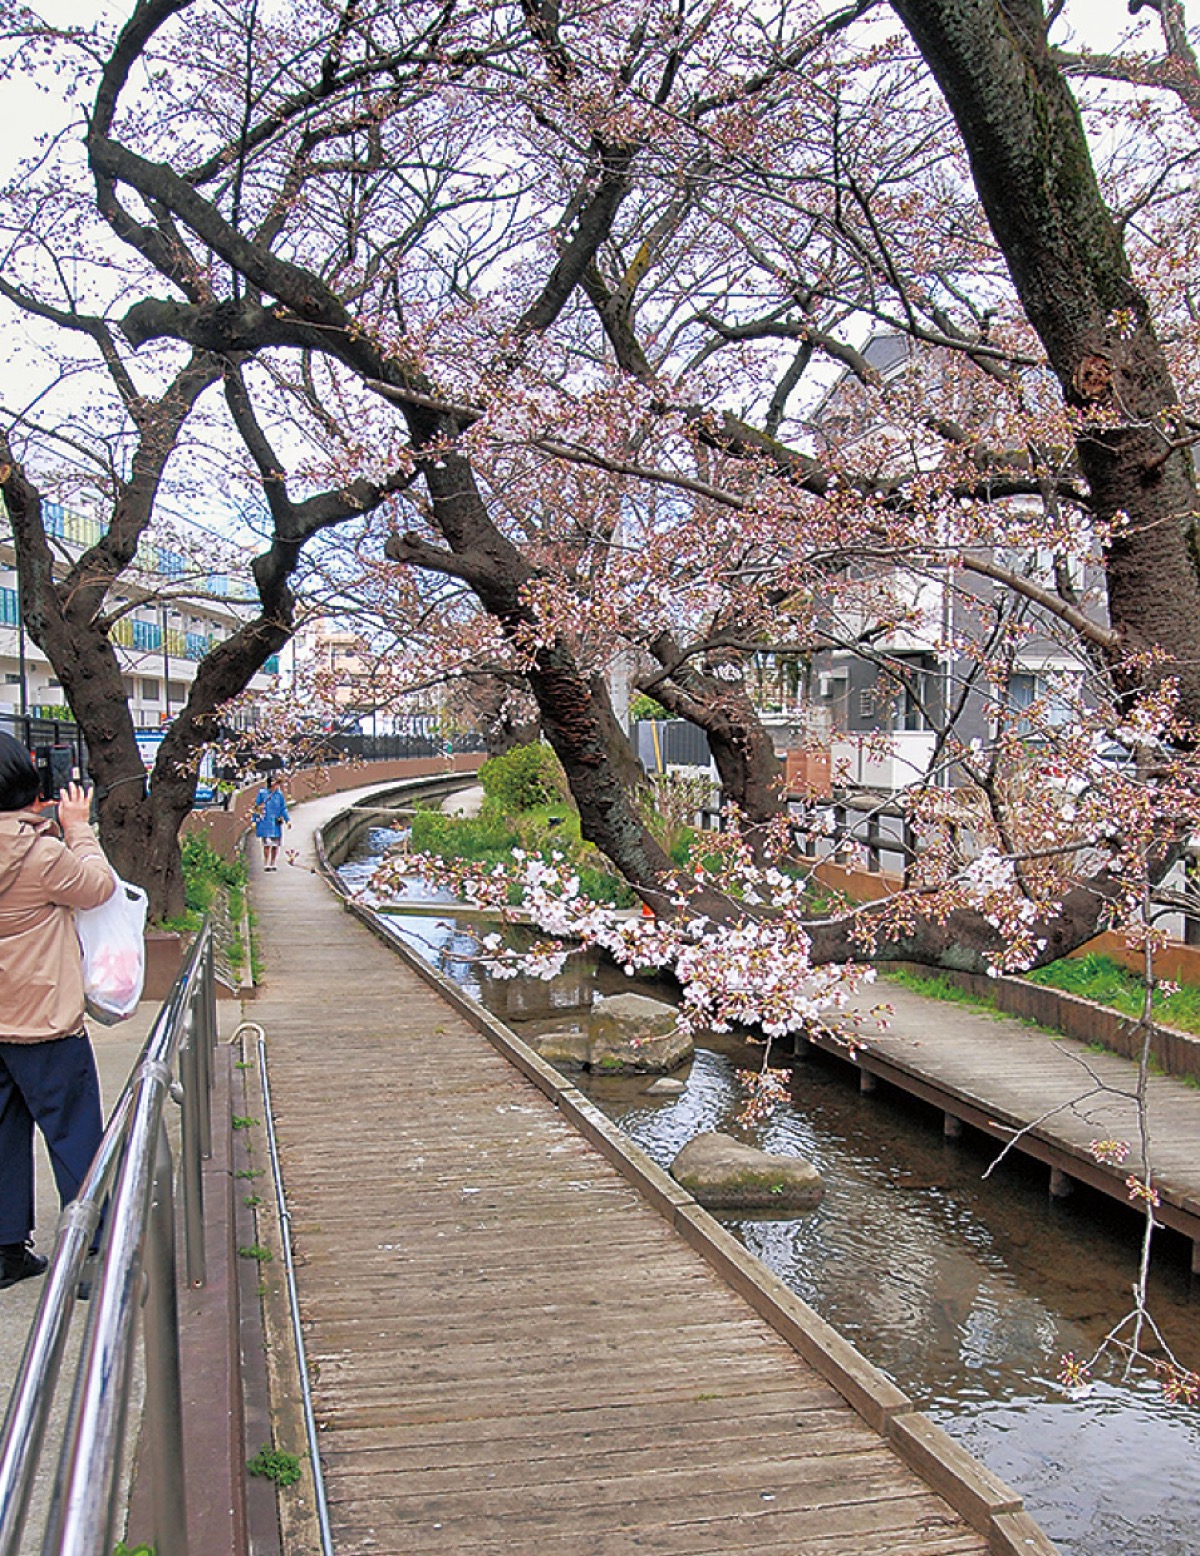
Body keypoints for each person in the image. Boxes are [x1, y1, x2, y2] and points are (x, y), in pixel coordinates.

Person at [0, 733, 116, 1291]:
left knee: (2, 1137)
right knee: (73, 1135)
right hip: (44, 1021)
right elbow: (98, 887)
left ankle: (6, 1252)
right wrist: (76, 827)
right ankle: (90, 1254)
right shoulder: (41, 855)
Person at [253, 770, 290, 871]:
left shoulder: (279, 795)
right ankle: (266, 863)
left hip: (276, 822)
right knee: (266, 845)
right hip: (265, 821)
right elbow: (257, 807)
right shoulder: (262, 793)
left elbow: (283, 808)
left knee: (275, 845)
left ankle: (273, 862)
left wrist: (287, 820)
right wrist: (254, 820)